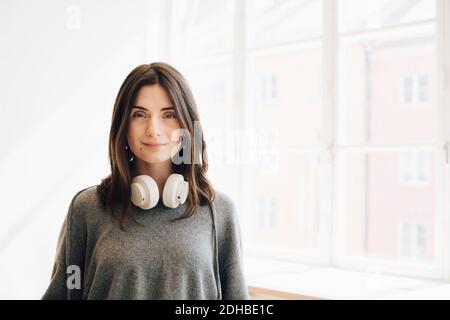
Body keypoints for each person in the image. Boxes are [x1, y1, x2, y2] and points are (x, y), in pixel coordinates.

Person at [42, 62, 249, 300]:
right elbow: (64, 293)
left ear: (186, 124)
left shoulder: (219, 211)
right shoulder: (87, 208)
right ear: (124, 125)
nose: (154, 129)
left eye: (169, 115)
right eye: (139, 115)